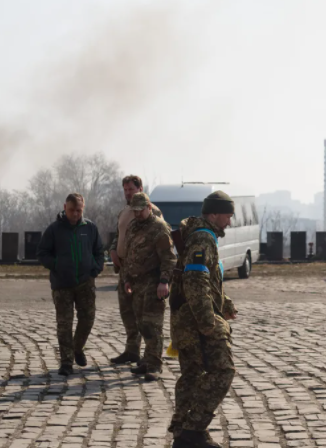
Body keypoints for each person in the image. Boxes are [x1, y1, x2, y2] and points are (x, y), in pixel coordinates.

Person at [169, 191, 239, 448]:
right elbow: (195, 280)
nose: (229, 222)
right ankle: (192, 429)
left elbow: (208, 280)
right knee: (223, 371)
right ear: (213, 214)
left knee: (192, 376)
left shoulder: (201, 236)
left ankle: (183, 435)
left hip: (187, 320)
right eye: (227, 216)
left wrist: (225, 302)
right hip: (195, 322)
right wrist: (208, 323)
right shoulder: (203, 239)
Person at [37, 193, 105, 376]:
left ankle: (77, 347)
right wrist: (56, 265)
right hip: (62, 285)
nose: (75, 214)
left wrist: (96, 268)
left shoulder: (90, 228)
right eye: (72, 210)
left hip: (85, 282)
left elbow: (99, 251)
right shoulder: (54, 230)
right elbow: (43, 253)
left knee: (88, 319)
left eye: (79, 210)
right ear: (64, 207)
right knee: (64, 324)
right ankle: (66, 362)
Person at [109, 175, 163, 365]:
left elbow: (161, 243)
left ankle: (150, 357)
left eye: (130, 189)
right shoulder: (125, 211)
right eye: (125, 190)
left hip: (145, 271)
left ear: (140, 189)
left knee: (144, 315)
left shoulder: (153, 212)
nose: (127, 193)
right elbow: (120, 234)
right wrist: (113, 250)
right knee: (127, 311)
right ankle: (131, 350)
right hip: (125, 267)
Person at [123, 192, 177, 381]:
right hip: (137, 284)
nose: (137, 214)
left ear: (148, 207)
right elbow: (130, 254)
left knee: (153, 325)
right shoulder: (133, 227)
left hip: (154, 283)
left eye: (140, 210)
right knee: (141, 324)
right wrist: (127, 278)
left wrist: (164, 282)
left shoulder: (159, 228)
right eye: (134, 210)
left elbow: (169, 258)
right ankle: (146, 360)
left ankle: (154, 365)